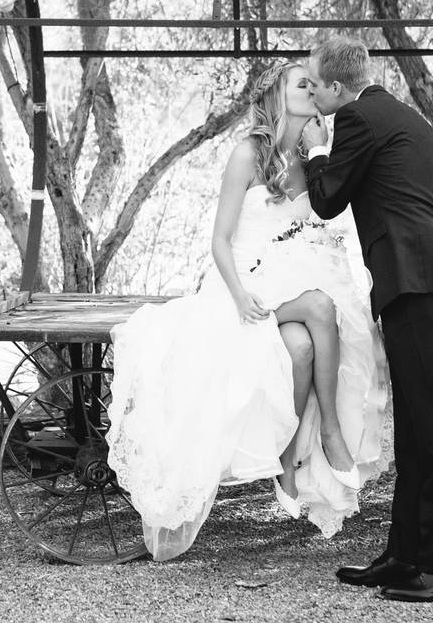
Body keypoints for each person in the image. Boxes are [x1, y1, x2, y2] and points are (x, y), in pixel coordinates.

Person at [105, 61, 391, 562]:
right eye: (302, 82)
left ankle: (285, 454)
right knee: (322, 308)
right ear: (277, 97)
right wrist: (238, 295)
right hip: (246, 282)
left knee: (301, 346)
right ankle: (329, 434)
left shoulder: (310, 156)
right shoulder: (247, 154)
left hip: (294, 275)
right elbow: (219, 240)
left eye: (313, 82)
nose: (314, 88)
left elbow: (325, 218)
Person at [301, 36, 433, 602]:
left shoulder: (355, 118)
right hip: (428, 277)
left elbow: (327, 199)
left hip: (419, 283)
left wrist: (312, 149)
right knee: (417, 427)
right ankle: (406, 554)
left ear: (335, 87)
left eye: (315, 83)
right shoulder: (411, 118)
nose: (313, 93)